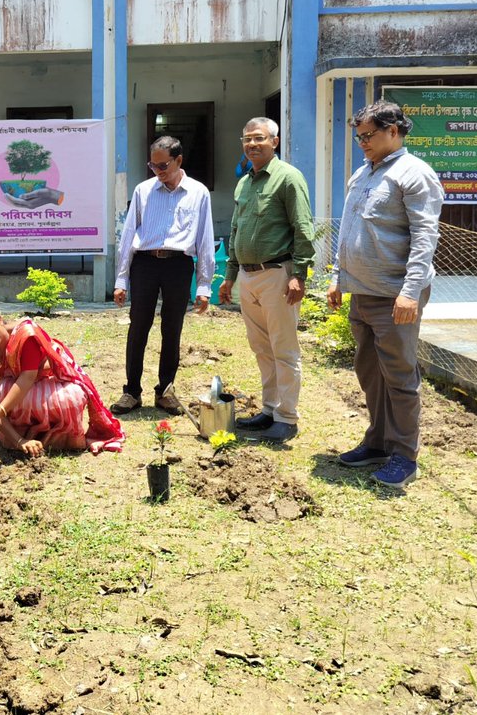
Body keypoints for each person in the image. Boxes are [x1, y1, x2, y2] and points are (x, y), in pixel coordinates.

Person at [329, 100, 444, 488]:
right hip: (362, 292)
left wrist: (410, 292)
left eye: (368, 135)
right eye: (358, 136)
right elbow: (349, 229)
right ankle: (377, 442)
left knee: (398, 375)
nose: (362, 142)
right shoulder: (363, 173)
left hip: (395, 296)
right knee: (370, 372)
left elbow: (425, 236)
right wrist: (338, 277)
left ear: (393, 131)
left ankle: (404, 455)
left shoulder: (415, 174)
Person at [218, 117, 316, 443]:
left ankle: (287, 418)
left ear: (274, 141)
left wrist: (299, 274)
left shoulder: (288, 178)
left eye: (259, 138)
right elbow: (236, 230)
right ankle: (270, 409)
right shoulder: (244, 184)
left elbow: (303, 227)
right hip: (249, 276)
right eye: (247, 139)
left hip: (278, 275)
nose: (252, 144)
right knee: (261, 347)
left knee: (284, 349)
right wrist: (230, 275)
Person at [112, 137, 215, 415]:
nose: (158, 171)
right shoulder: (143, 191)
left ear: (178, 161)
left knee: (172, 329)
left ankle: (165, 391)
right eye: (153, 165)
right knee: (138, 327)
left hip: (178, 265)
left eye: (163, 165)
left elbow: (205, 239)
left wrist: (204, 286)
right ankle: (131, 392)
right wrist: (121, 279)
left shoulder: (198, 193)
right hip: (144, 264)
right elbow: (128, 235)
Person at [0, 303, 125, 456]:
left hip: (52, 381)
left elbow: (27, 378)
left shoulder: (25, 335)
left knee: (70, 398)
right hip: (22, 387)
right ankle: (25, 434)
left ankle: (61, 439)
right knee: (3, 391)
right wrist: (19, 441)